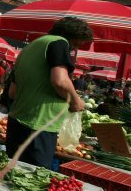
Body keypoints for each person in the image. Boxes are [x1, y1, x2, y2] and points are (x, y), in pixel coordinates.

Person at [6, 16, 92, 169]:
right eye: (75, 45)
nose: (74, 49)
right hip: (39, 125)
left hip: (16, 122)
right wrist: (75, 101)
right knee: (33, 180)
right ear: (71, 36)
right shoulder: (59, 43)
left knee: (12, 175)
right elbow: (60, 80)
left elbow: (12, 92)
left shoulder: (29, 48)